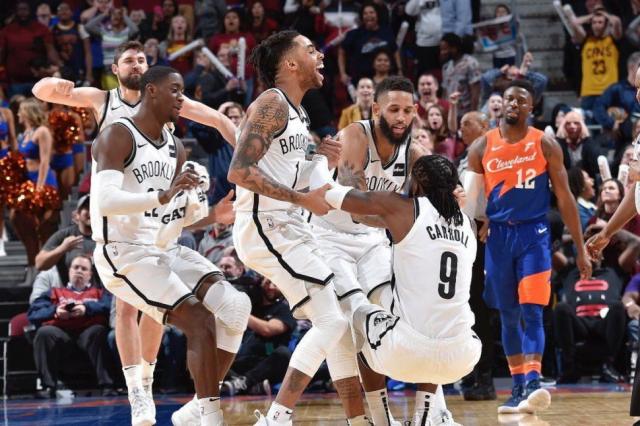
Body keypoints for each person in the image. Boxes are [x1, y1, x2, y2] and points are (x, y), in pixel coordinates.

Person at [31, 39, 237, 425]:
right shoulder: (103, 100)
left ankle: (152, 382)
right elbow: (42, 91)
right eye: (129, 60)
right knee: (129, 305)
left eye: (142, 59)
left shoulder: (165, 102)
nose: (136, 64)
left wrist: (246, 156)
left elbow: (220, 121)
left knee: (160, 308)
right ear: (116, 68)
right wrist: (54, 85)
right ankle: (138, 391)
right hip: (121, 215)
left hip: (158, 219)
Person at [91, 65, 251, 426]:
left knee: (236, 306)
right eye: (175, 91)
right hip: (123, 252)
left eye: (183, 91)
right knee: (198, 320)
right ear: (150, 91)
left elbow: (173, 217)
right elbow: (106, 202)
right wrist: (163, 195)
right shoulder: (117, 135)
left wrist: (210, 214)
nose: (182, 99)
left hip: (163, 248)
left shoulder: (176, 148)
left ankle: (197, 407)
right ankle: (209, 416)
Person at [227, 30, 367, 425]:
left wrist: (322, 160)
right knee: (332, 321)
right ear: (290, 63)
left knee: (337, 320)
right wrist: (301, 199)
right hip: (265, 226)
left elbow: (296, 175)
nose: (320, 56)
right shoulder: (271, 103)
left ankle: (356, 419)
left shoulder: (299, 113)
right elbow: (239, 170)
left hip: (288, 226)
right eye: (311, 50)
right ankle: (277, 417)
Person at [310, 76, 456, 425]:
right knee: (357, 319)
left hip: (373, 241)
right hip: (330, 238)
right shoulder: (355, 136)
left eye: (407, 110)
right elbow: (356, 207)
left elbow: (446, 196)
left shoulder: (415, 152)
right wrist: (407, 218)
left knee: (406, 313)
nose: (401, 117)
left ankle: (433, 412)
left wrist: (456, 201)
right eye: (393, 110)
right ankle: (379, 415)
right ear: (376, 109)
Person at [320, 154, 481, 424]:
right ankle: (424, 417)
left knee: (355, 316)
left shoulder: (403, 207)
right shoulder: (469, 223)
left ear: (416, 183)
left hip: (407, 354)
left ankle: (380, 419)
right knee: (438, 320)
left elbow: (342, 200)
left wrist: (322, 165)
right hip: (462, 356)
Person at [464, 80, 591, 414]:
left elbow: (565, 198)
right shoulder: (481, 146)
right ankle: (518, 386)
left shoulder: (544, 143)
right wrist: (480, 222)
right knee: (507, 315)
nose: (513, 104)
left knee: (533, 310)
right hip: (498, 239)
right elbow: (470, 202)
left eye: (521, 100)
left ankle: (534, 381)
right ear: (501, 104)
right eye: (509, 99)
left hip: (534, 235)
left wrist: (581, 248)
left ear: (531, 108)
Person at [27, 254, 114, 398]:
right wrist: (55, 311)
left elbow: (109, 306)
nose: (79, 271)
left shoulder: (99, 293)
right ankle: (48, 386)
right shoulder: (54, 292)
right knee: (44, 332)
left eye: (84, 269)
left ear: (90, 274)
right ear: (69, 271)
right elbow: (33, 313)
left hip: (88, 333)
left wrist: (87, 308)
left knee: (99, 331)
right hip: (61, 333)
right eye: (76, 267)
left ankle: (107, 385)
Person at [221, 277, 296, 396]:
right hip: (244, 360)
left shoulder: (285, 310)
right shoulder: (251, 305)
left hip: (269, 362)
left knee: (284, 354)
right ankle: (252, 386)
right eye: (267, 282)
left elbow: (268, 330)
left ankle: (245, 382)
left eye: (275, 284)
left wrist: (241, 313)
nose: (271, 287)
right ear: (261, 283)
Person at [12, 98, 60, 286]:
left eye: (20, 111)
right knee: (20, 220)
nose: (18, 114)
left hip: (43, 182)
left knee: (43, 228)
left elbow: (45, 161)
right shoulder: (25, 133)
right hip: (28, 183)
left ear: (28, 113)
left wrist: (39, 189)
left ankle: (48, 275)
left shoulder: (43, 131)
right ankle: (33, 266)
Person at [570, 8, 623, 113]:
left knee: (610, 120)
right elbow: (574, 23)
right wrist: (591, 16)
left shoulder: (613, 39)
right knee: (588, 120)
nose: (596, 25)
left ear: (606, 24)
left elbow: (617, 21)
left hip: (609, 89)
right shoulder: (585, 40)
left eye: (600, 22)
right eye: (594, 22)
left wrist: (605, 14)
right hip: (589, 91)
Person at [36, 194, 94, 284]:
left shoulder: (108, 237)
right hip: (68, 291)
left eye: (94, 208)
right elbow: (39, 264)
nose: (91, 212)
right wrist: (62, 248)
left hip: (101, 292)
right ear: (77, 215)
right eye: (87, 208)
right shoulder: (64, 235)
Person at [440, 32, 481, 118]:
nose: (442, 52)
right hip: (450, 113)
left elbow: (475, 92)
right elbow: (445, 91)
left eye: (444, 49)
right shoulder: (446, 66)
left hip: (465, 113)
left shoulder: (470, 63)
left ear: (454, 48)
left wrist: (472, 116)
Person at [0, 105, 17, 257]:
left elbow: (12, 137)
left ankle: (1, 237)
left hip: (4, 158)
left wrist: (17, 159)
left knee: (3, 200)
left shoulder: (6, 112)